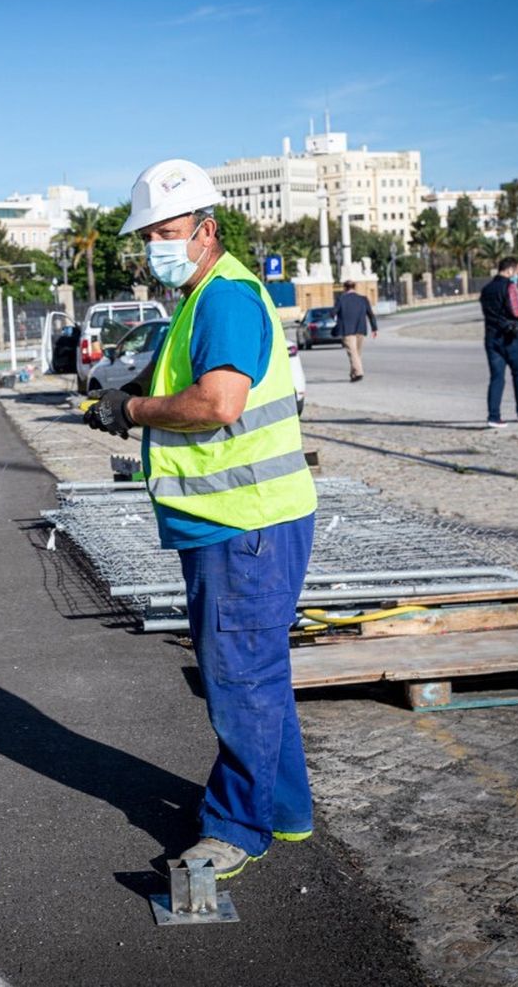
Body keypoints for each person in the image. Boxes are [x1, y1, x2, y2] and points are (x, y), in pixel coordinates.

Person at [83, 159, 318, 880]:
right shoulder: (199, 297)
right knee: (257, 672)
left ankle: (236, 828)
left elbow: (219, 403)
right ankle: (283, 809)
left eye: (167, 230)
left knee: (238, 678)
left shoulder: (224, 296)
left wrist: (131, 410)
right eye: (147, 234)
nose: (155, 244)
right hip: (237, 519)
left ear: (205, 229)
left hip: (243, 524)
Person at [480, 256, 518, 428]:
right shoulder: (509, 286)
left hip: (492, 338)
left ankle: (493, 417)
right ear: (510, 270)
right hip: (510, 338)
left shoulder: (486, 289)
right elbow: (516, 311)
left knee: (496, 377)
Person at [333, 279, 377, 382]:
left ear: (344, 288)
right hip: (360, 329)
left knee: (353, 352)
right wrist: (374, 328)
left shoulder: (341, 299)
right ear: (354, 287)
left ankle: (359, 373)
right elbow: (371, 315)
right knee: (357, 353)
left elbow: (333, 313)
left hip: (347, 330)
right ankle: (353, 374)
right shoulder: (363, 299)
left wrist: (336, 317)